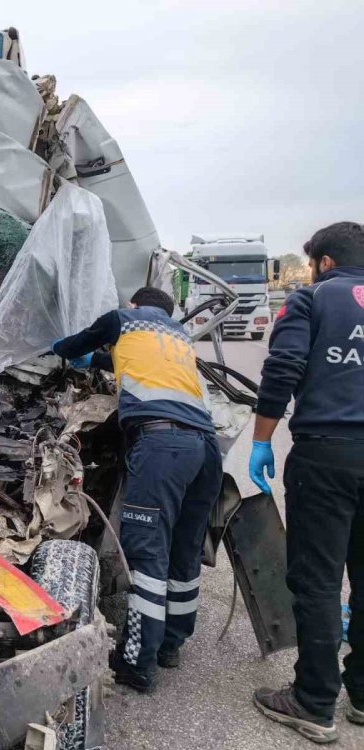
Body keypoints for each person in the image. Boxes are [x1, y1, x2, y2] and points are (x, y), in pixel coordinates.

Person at [52, 286, 222, 694]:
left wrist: (60, 347)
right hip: (206, 449)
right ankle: (170, 645)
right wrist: (95, 358)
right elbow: (118, 359)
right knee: (185, 546)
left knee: (146, 552)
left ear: (133, 305)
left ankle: (137, 663)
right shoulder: (176, 336)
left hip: (162, 445)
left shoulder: (121, 320)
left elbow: (67, 346)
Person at [250, 222, 364, 745]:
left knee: (318, 580)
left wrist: (261, 439)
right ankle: (362, 695)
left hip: (327, 456)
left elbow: (284, 367)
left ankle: (314, 702)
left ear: (322, 262)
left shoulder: (312, 299)